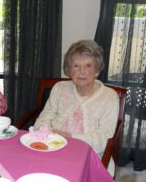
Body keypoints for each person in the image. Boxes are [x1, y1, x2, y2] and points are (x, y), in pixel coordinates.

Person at [34, 40, 119, 175]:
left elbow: (104, 137)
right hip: (53, 145)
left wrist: (69, 137)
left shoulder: (109, 97)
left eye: (88, 66)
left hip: (89, 154)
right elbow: (46, 115)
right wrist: (46, 132)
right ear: (68, 70)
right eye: (76, 66)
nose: (82, 72)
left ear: (97, 70)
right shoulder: (59, 88)